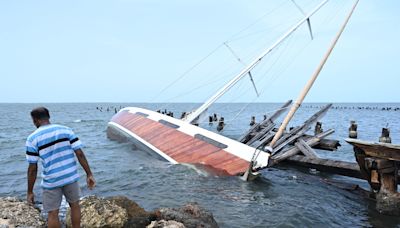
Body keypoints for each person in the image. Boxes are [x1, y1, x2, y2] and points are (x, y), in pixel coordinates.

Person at [26, 107, 95, 228]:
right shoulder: (66, 130)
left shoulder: (32, 139)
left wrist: (30, 191)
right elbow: (79, 153)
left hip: (51, 181)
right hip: (70, 177)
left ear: (35, 120)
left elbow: (33, 168)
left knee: (53, 213)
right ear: (48, 117)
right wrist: (89, 174)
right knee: (75, 205)